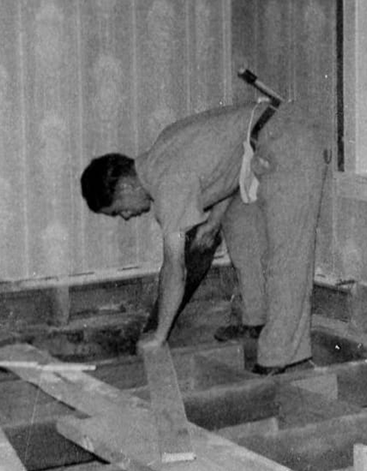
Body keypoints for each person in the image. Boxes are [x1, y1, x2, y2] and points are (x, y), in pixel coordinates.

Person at [80, 99, 327, 375]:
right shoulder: (160, 152)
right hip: (265, 138)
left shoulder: (168, 183)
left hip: (289, 139)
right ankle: (256, 321)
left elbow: (175, 269)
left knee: (286, 257)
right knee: (238, 220)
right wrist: (213, 222)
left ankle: (279, 357)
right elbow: (226, 166)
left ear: (126, 187)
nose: (126, 215)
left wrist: (159, 335)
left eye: (119, 210)